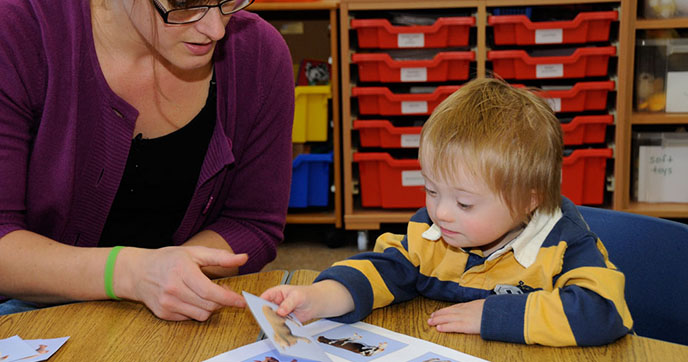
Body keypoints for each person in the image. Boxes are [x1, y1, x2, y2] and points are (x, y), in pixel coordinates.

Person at [262, 78, 634, 346]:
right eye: (431, 190)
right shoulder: (432, 230)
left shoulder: (564, 243)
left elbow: (603, 312)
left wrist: (492, 314)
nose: (440, 213)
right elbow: (383, 268)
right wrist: (322, 296)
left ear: (528, 201)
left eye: (465, 203)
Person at [0, 0, 294, 321]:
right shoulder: (18, 31)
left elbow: (251, 222)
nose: (216, 29)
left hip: (170, 320)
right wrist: (130, 274)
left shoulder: (258, 53)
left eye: (229, 1)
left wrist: (174, 276)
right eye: (185, 3)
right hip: (25, 315)